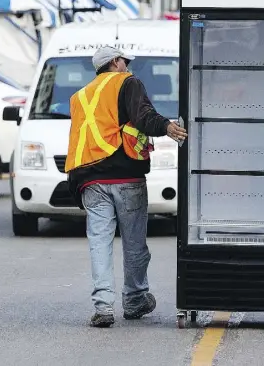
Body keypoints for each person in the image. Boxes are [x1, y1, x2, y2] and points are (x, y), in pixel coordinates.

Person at [65, 46, 187, 328]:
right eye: (126, 62)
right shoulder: (127, 82)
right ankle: (134, 300)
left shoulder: (79, 96)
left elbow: (79, 139)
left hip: (90, 179)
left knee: (99, 242)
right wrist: (167, 127)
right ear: (116, 62)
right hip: (126, 175)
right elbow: (143, 115)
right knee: (134, 244)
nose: (128, 67)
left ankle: (103, 307)